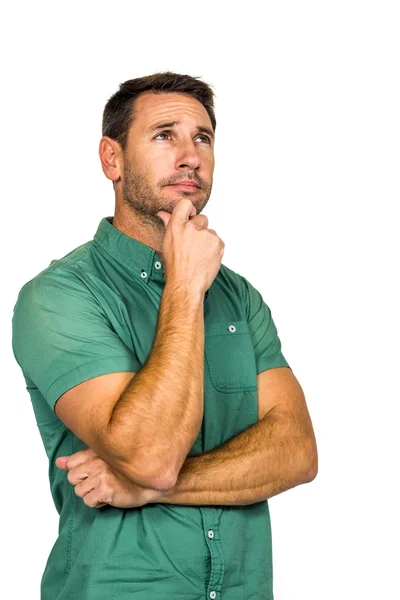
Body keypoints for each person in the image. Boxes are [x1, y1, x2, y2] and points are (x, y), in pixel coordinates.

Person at [11, 71, 318, 600]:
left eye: (203, 137)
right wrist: (184, 287)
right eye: (164, 135)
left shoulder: (239, 298)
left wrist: (141, 489)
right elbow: (150, 454)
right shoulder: (58, 296)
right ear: (112, 159)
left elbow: (297, 452)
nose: (190, 155)